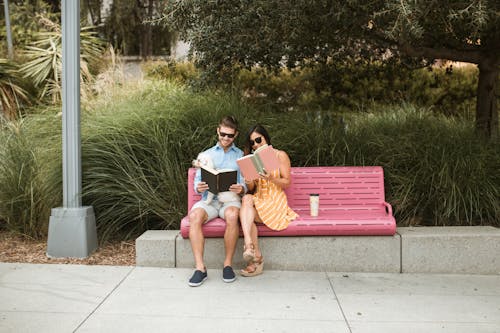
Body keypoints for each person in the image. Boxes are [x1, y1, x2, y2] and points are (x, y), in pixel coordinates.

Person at [188, 116, 246, 287]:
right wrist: (199, 187)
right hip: (209, 201)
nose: (226, 138)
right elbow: (197, 181)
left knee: (232, 215)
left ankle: (227, 265)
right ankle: (200, 268)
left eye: (230, 136)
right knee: (195, 216)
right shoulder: (206, 155)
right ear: (217, 131)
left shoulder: (241, 156)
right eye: (223, 134)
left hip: (230, 200)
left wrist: (242, 188)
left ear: (235, 135)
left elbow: (245, 182)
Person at [239, 124, 298, 277]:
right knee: (246, 199)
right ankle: (250, 247)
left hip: (275, 201)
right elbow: (252, 188)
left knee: (246, 215)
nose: (256, 144)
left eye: (259, 140)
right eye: (252, 142)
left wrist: (271, 178)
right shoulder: (254, 160)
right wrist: (248, 179)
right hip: (259, 199)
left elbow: (287, 182)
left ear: (266, 137)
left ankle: (254, 256)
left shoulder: (279, 155)